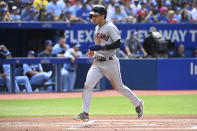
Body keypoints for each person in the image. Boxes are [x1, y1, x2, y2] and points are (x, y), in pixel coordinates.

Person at [74, 5, 144, 122]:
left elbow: (118, 44)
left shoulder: (110, 27)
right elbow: (98, 44)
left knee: (119, 87)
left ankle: (138, 103)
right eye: (92, 15)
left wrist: (101, 47)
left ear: (103, 15)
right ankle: (85, 113)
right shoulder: (97, 28)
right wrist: (92, 51)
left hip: (110, 62)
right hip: (97, 62)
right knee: (87, 86)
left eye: (95, 15)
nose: (93, 17)